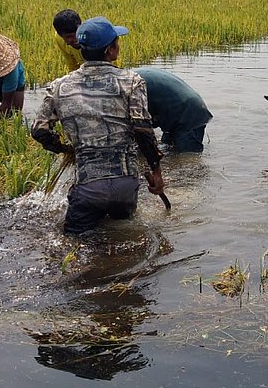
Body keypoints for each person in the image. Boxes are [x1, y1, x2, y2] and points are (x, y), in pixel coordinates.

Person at [30, 16, 166, 234]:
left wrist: (65, 149)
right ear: (111, 50)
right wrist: (156, 172)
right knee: (123, 237)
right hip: (125, 187)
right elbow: (142, 131)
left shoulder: (58, 86)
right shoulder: (132, 81)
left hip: (87, 187)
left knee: (75, 244)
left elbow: (39, 130)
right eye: (116, 42)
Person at [135, 67, 213, 152]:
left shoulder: (129, 86)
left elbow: (141, 127)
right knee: (167, 147)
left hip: (188, 113)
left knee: (187, 158)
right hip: (177, 109)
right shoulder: (131, 78)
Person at [52, 8, 83, 74]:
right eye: (69, 37)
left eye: (77, 33)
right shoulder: (59, 39)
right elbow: (72, 66)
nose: (76, 39)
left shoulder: (92, 37)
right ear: (61, 36)